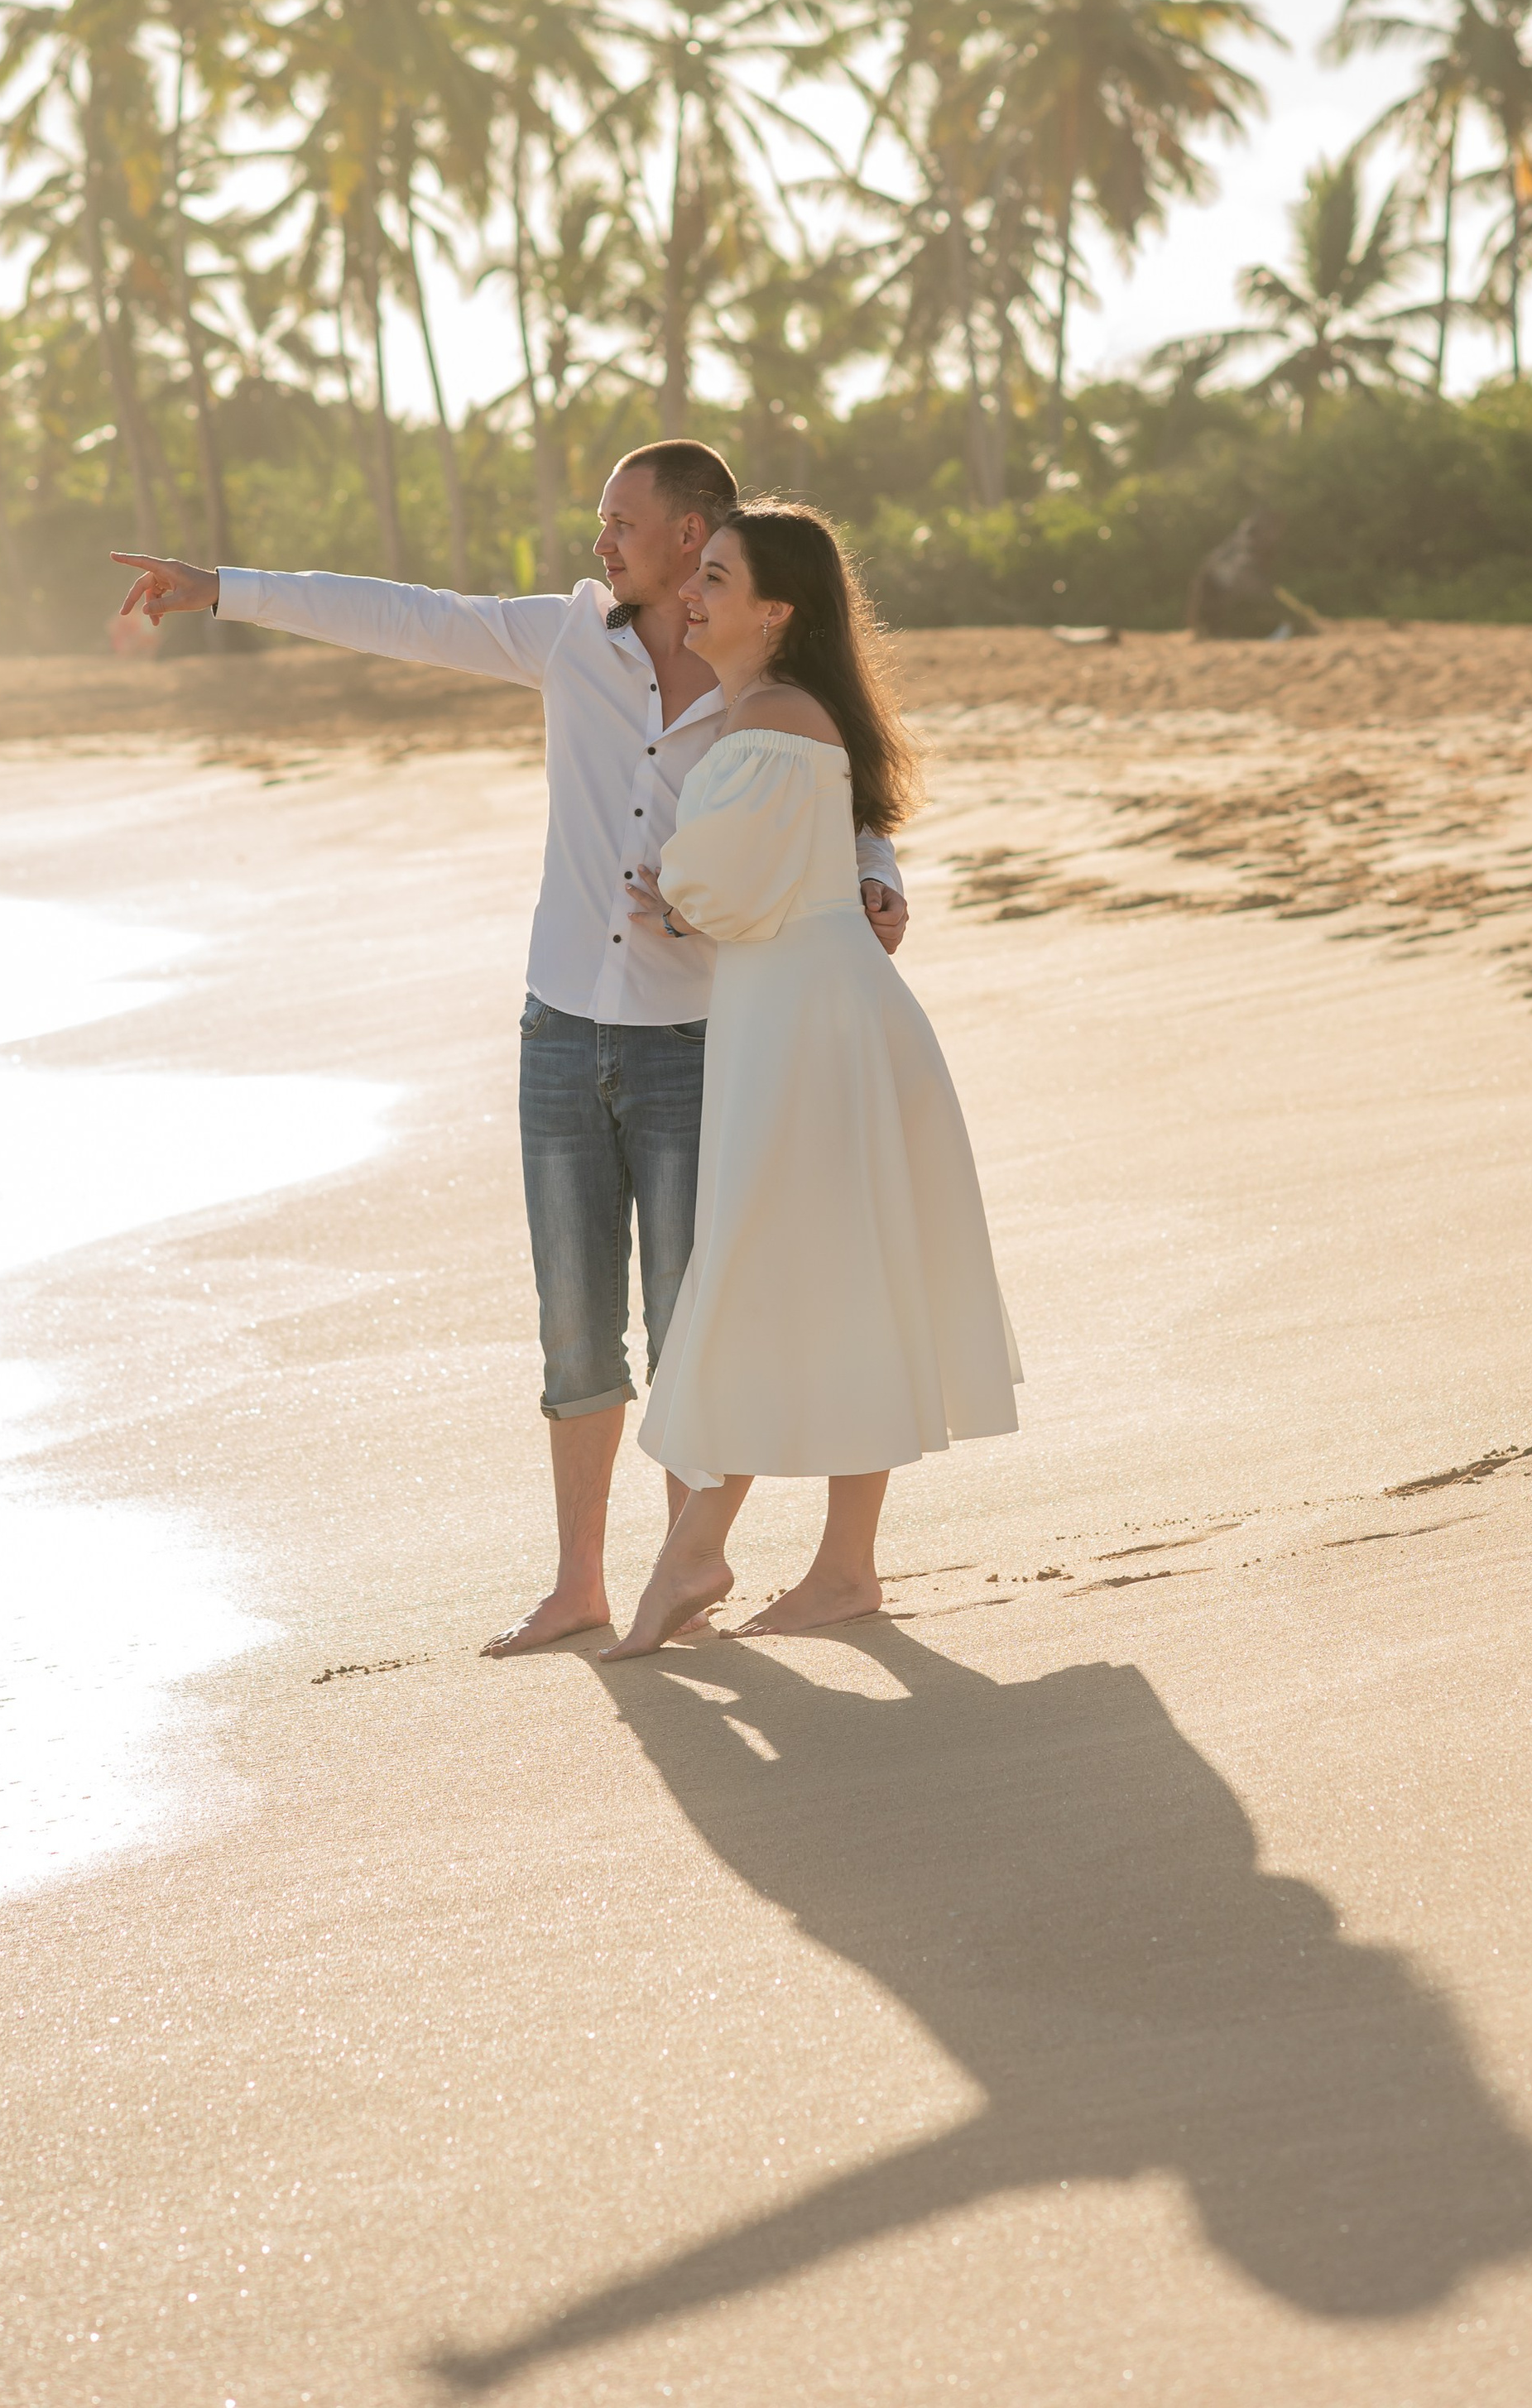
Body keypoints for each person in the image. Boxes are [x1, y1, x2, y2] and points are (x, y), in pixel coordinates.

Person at [108, 444, 910, 1656]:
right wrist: (224, 587)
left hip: (697, 1039)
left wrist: (877, 882)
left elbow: (839, 799)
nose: (601, 543)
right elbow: (410, 616)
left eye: (622, 522)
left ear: (694, 534)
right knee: (576, 1325)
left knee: (695, 1319)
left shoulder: (762, 676)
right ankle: (578, 1582)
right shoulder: (566, 638)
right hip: (559, 1025)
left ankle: (684, 1569)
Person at [601, 501, 1021, 1657]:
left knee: (767, 1265)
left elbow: (719, 883)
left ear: (776, 611)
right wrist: (697, 889)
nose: (694, 593)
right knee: (833, 1274)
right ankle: (832, 1569)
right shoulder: (770, 715)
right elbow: (747, 877)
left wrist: (682, 891)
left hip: (809, 1023)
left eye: (718, 580)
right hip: (798, 1012)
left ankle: (705, 1542)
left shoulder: (775, 717)